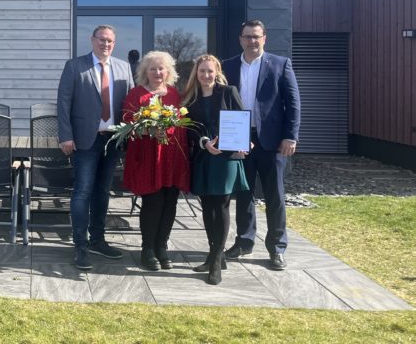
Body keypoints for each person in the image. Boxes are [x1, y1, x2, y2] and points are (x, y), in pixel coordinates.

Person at [222, 20, 300, 271]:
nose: (252, 41)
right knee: (243, 194)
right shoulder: (228, 66)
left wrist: (291, 136)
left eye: (256, 36)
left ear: (264, 38)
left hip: (272, 141)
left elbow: (293, 103)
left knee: (274, 195)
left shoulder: (280, 64)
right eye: (247, 37)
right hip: (239, 139)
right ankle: (244, 242)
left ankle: (277, 248)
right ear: (240, 39)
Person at [57, 25, 133, 270]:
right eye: (101, 40)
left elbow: (130, 104)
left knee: (103, 192)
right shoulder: (74, 66)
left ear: (115, 42)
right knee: (82, 192)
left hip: (112, 140)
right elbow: (63, 103)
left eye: (110, 40)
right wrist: (65, 136)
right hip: (84, 140)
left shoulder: (123, 68)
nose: (106, 44)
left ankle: (97, 240)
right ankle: (80, 245)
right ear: (92, 40)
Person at [183, 54, 249, 285]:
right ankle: (214, 256)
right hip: (203, 157)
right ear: (196, 73)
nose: (206, 75)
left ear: (217, 71)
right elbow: (189, 129)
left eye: (210, 71)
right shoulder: (190, 98)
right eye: (202, 71)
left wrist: (245, 142)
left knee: (221, 205)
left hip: (226, 158)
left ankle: (216, 261)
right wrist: (204, 143)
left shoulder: (228, 92)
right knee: (207, 206)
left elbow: (241, 120)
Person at [121, 51, 190, 271]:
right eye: (153, 68)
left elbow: (181, 121)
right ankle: (147, 249)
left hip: (171, 156)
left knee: (170, 201)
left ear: (168, 71)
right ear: (145, 72)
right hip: (147, 155)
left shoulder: (174, 94)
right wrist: (148, 128)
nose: (157, 72)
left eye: (161, 68)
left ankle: (162, 246)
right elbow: (127, 119)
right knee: (152, 202)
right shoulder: (136, 94)